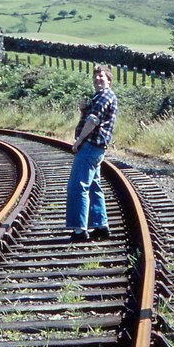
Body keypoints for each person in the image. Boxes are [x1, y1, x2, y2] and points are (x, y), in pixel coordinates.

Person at [65, 64, 118, 243]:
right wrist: (83, 110)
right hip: (96, 148)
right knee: (94, 187)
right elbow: (94, 117)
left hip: (90, 146)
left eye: (101, 76)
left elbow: (93, 121)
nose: (97, 79)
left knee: (77, 186)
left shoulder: (104, 96)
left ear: (109, 80)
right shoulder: (102, 96)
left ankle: (80, 230)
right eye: (95, 76)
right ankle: (101, 226)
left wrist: (79, 140)